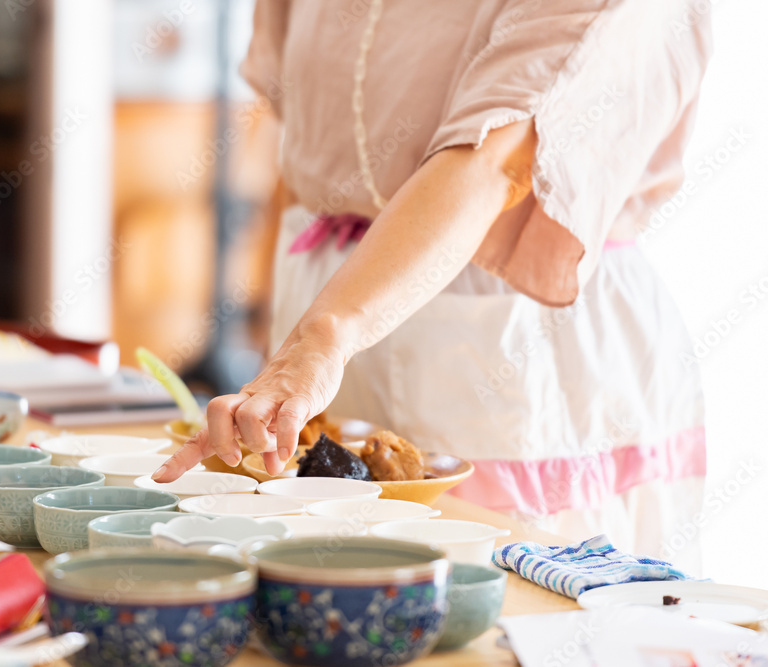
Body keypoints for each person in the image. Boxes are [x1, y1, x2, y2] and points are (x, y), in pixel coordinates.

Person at [155, 0, 711, 572]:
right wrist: (300, 342)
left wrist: (321, 336)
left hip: (510, 333)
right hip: (327, 313)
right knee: (325, 583)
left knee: (505, 598)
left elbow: (500, 159)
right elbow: (299, 132)